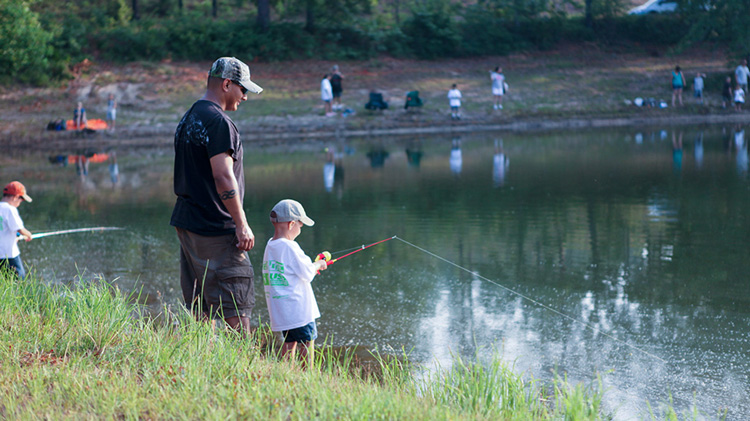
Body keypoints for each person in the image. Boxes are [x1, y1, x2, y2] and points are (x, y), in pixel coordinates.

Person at [170, 57, 263, 334]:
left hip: (189, 224)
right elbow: (223, 176)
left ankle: (207, 366)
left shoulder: (189, 118)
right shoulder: (219, 122)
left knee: (201, 308)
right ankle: (246, 372)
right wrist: (241, 224)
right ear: (226, 84)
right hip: (216, 229)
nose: (245, 96)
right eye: (242, 89)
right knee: (236, 305)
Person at [262, 199, 328, 365]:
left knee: (289, 342)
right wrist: (318, 264)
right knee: (307, 342)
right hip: (299, 310)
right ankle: (308, 375)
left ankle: (284, 371)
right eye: (301, 224)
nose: (301, 228)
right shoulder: (291, 247)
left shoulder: (270, 245)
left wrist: (312, 266)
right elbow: (307, 273)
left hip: (283, 310)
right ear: (291, 224)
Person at [0, 181, 33, 280]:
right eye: (21, 200)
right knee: (20, 279)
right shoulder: (10, 209)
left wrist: (16, 236)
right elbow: (20, 229)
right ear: (15, 197)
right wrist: (29, 235)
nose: (19, 203)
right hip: (9, 255)